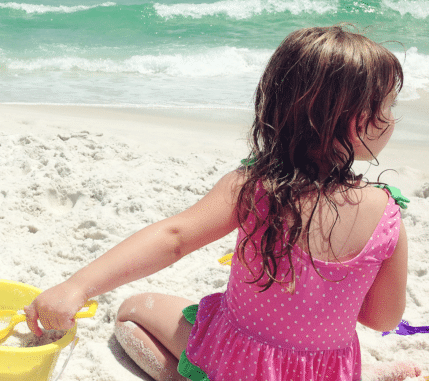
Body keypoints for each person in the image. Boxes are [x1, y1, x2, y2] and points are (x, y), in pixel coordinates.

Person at [24, 25, 422, 381]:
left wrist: (77, 286)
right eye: (387, 105)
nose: (391, 117)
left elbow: (174, 237)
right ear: (358, 120)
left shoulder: (254, 188)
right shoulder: (386, 215)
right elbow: (381, 317)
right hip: (328, 372)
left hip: (235, 365)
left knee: (132, 312)